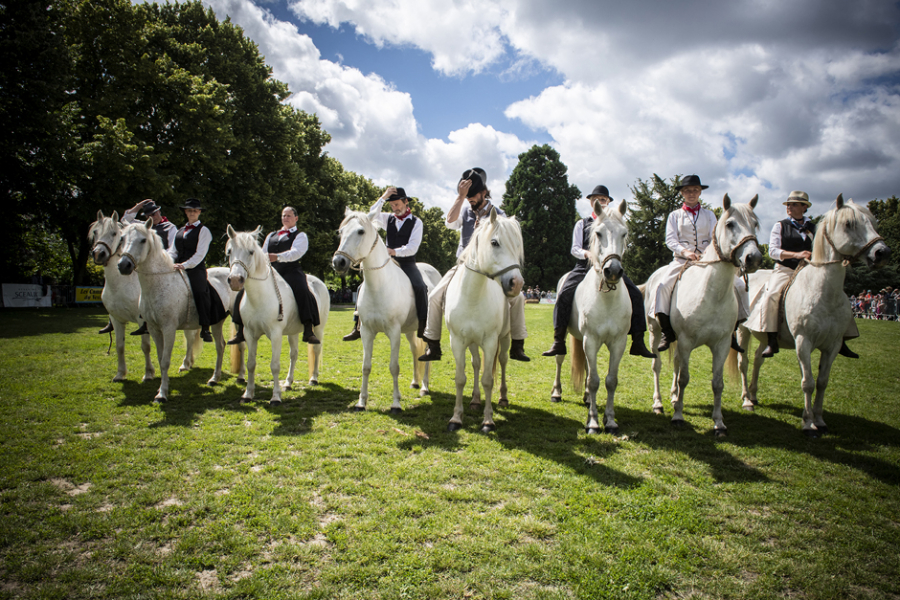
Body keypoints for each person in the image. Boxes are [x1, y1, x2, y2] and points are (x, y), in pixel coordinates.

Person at [417, 168, 530, 362]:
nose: (470, 199)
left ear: (484, 193)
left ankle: (518, 344)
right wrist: (460, 197)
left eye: (472, 195)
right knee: (435, 296)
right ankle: (433, 344)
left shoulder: (500, 215)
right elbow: (449, 222)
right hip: (464, 265)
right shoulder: (465, 211)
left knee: (518, 298)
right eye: (467, 196)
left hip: (490, 267)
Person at [542, 185, 655, 358]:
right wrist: (587, 254)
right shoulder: (582, 223)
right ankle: (559, 340)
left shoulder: (615, 223)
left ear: (608, 201)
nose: (600, 202)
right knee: (565, 293)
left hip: (609, 265)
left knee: (635, 294)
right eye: (596, 199)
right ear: (590, 202)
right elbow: (575, 248)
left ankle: (638, 340)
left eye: (603, 199)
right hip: (584, 266)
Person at [648, 174, 749, 353]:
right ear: (682, 193)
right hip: (681, 261)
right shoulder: (675, 215)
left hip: (706, 261)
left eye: (695, 190)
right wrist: (685, 252)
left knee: (740, 285)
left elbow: (716, 237)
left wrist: (706, 254)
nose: (691, 193)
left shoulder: (710, 215)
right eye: (687, 190)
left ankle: (732, 331)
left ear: (700, 192)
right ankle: (667, 332)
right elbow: (670, 240)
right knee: (663, 286)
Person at [756, 191, 858, 358]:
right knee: (772, 295)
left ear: (804, 207)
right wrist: (795, 255)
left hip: (811, 269)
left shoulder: (815, 228)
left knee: (840, 296)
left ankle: (840, 338)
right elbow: (773, 252)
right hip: (785, 269)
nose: (789, 207)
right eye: (788, 204)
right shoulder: (780, 225)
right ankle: (771, 339)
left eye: (794, 204)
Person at [342, 187, 429, 340]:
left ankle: (423, 326)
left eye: (397, 204)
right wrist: (383, 197)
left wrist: (393, 251)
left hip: (407, 262)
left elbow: (412, 247)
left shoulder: (417, 222)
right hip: (388, 262)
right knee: (362, 286)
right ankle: (357, 326)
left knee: (420, 286)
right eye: (392, 205)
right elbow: (370, 215)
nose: (394, 208)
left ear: (405, 202)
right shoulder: (387, 218)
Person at [228, 206, 320, 345]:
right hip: (270, 270)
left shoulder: (300, 236)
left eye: (289, 215)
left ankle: (308, 329)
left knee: (302, 290)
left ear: (296, 218)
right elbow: (262, 252)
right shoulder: (271, 235)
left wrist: (277, 257)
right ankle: (240, 330)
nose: (285, 218)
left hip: (290, 270)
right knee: (244, 291)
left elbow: (296, 252)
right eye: (284, 215)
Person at [132, 198, 214, 341]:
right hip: (176, 266)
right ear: (185, 212)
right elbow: (173, 251)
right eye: (189, 211)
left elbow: (200, 254)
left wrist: (185, 265)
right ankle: (146, 319)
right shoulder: (180, 230)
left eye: (194, 211)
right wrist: (166, 262)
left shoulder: (204, 231)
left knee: (201, 291)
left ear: (199, 212)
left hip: (195, 268)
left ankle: (205, 327)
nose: (192, 213)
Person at [98, 199, 177, 334]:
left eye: (154, 213)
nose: (151, 217)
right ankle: (113, 317)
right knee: (117, 280)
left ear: (159, 212)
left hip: (159, 265)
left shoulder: (170, 227)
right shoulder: (139, 225)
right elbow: (125, 219)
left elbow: (172, 248)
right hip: (140, 263)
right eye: (148, 215)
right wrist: (139, 205)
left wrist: (164, 262)